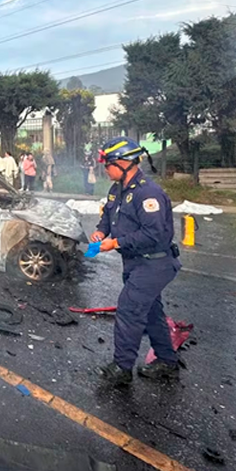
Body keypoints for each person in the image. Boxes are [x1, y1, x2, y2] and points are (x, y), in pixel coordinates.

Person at [91, 136, 180, 386]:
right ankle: (167, 362)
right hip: (135, 264)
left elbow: (154, 234)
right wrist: (101, 233)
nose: (105, 169)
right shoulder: (116, 190)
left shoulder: (148, 193)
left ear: (122, 162)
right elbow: (108, 219)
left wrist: (116, 243)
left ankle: (121, 368)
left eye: (107, 164)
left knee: (129, 310)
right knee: (151, 313)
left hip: (155, 263)